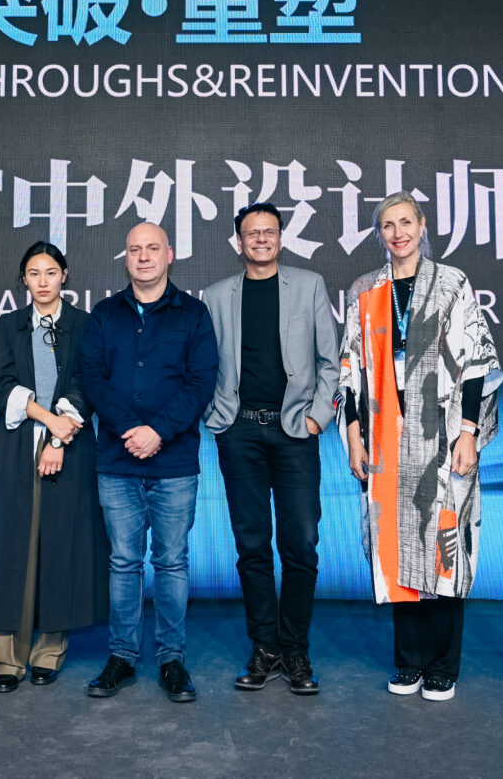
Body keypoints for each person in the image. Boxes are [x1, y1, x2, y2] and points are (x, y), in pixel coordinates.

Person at [339, 192, 502, 703]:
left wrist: (469, 431)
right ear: (379, 234)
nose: (398, 233)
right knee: (396, 548)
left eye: (405, 222)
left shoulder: (452, 283)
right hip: (385, 440)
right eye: (387, 225)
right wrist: (353, 436)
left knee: (444, 547)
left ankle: (442, 666)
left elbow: (476, 363)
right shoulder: (365, 289)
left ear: (422, 225)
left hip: (445, 437)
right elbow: (350, 370)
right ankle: (408, 661)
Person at [203, 202, 340, 695]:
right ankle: (265, 648)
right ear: (238, 241)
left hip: (295, 432)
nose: (261, 239)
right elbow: (202, 364)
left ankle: (295, 649)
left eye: (269, 231)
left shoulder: (309, 285)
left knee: (301, 544)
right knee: (252, 546)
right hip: (238, 432)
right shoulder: (215, 295)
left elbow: (331, 362)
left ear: (281, 237)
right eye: (251, 233)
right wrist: (214, 417)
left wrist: (317, 418)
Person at [80, 222, 218, 703]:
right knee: (123, 562)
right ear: (126, 257)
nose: (143, 257)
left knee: (172, 562)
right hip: (117, 460)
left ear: (169, 255)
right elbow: (93, 380)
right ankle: (121, 657)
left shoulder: (194, 314)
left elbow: (201, 383)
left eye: (152, 248)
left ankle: (171, 659)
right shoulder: (104, 314)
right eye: (135, 249)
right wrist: (130, 430)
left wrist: (158, 431)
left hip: (174, 460)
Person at [0, 242, 109, 693]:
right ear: (24, 279)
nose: (43, 281)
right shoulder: (8, 325)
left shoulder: (84, 325)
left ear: (65, 275)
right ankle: (6, 658)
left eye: (51, 272)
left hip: (70, 446)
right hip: (16, 447)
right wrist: (48, 420)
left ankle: (49, 651)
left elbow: (86, 382)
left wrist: (58, 437)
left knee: (60, 546)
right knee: (10, 547)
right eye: (34, 273)